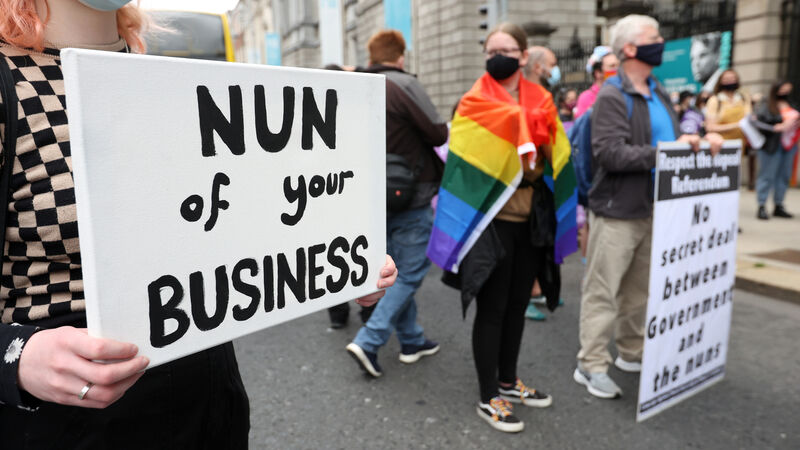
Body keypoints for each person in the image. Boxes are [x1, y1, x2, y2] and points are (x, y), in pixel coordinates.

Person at [0, 2, 397, 448]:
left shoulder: (169, 82)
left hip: (210, 403)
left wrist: (337, 266)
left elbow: (240, 214)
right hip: (67, 424)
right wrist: (17, 357)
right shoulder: (9, 82)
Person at [575, 14, 723, 399]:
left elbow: (674, 137)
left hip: (657, 206)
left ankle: (631, 350)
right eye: (653, 37)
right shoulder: (612, 95)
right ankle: (590, 364)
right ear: (629, 48)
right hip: (618, 209)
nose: (660, 42)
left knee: (640, 289)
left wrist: (700, 138)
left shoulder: (657, 89)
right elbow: (610, 154)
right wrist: (667, 152)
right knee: (604, 289)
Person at [432, 22, 557, 433]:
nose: (497, 57)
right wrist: (516, 142)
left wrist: (531, 148)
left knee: (519, 304)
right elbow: (464, 166)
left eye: (506, 50)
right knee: (493, 308)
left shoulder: (541, 99)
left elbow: (551, 156)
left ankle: (508, 381)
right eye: (491, 51)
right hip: (489, 222)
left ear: (524, 55)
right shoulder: (472, 102)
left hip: (530, 220)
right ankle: (489, 396)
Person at [346, 30, 446, 378]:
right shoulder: (403, 84)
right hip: (410, 193)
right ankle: (369, 340)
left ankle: (412, 340)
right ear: (400, 57)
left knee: (395, 270)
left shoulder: (354, 88)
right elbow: (438, 133)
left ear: (371, 57)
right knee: (411, 271)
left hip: (370, 197)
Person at [753, 80, 799, 219]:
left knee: (784, 175)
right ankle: (762, 205)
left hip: (789, 145)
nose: (785, 92)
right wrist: (776, 127)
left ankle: (779, 205)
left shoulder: (792, 104)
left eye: (787, 90)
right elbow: (758, 123)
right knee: (767, 175)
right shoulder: (767, 105)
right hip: (771, 145)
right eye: (782, 89)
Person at [575, 46, 620, 119]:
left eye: (618, 65)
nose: (617, 69)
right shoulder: (586, 98)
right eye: (612, 66)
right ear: (598, 73)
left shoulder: (624, 92)